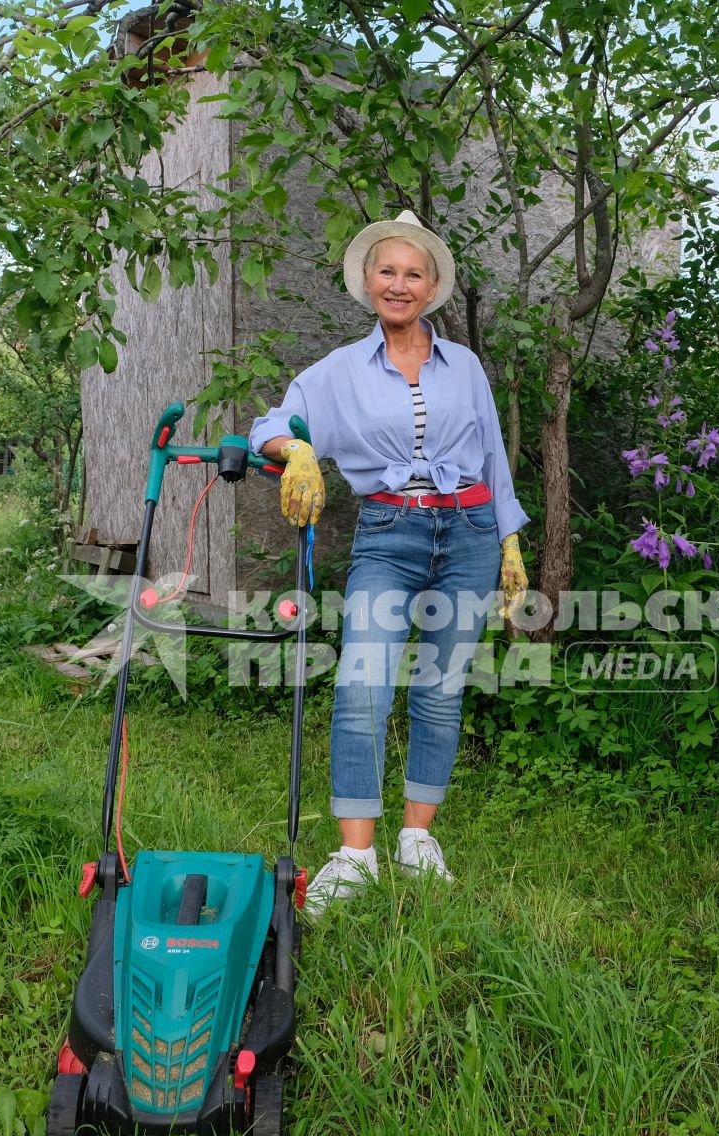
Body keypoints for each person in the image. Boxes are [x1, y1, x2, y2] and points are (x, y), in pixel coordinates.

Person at [248, 210, 528, 910]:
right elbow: (270, 426)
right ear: (369, 281)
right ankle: (355, 854)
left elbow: (492, 452)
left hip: (467, 531)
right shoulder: (338, 372)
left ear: (431, 286)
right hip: (389, 533)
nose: (399, 284)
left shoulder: (464, 366)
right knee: (363, 685)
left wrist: (509, 538)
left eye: (413, 273)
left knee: (440, 688)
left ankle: (416, 840)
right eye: (387, 271)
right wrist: (300, 451)